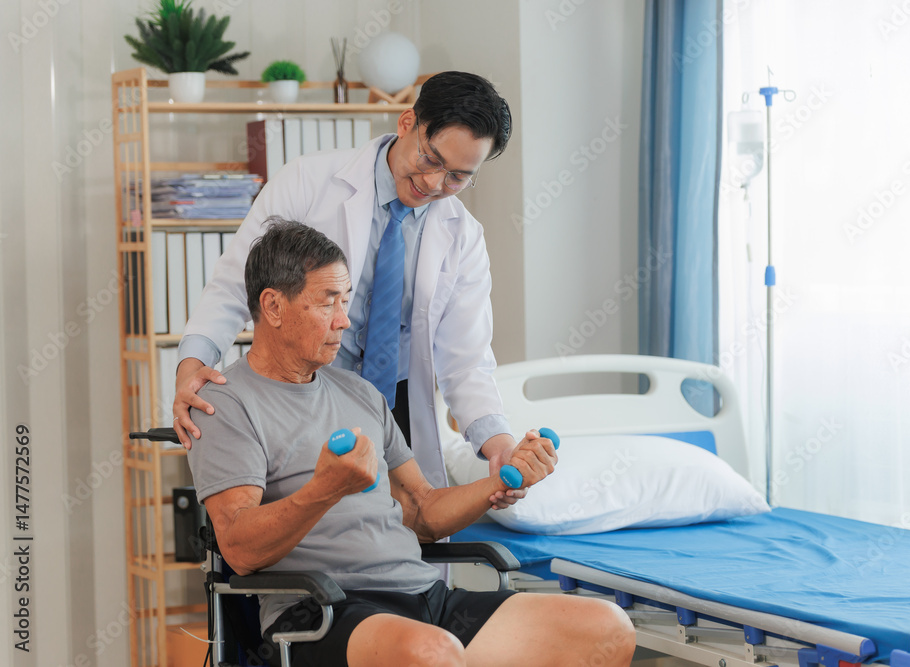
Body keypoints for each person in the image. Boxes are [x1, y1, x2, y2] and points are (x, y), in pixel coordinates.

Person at [186, 220, 635, 667]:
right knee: (433, 652)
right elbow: (241, 551)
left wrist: (497, 480)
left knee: (606, 627)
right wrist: (325, 489)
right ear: (274, 306)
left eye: (346, 301)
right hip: (321, 611)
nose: (344, 320)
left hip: (422, 597)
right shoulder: (226, 404)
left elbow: (421, 512)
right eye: (327, 303)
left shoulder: (359, 393)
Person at [174, 71, 519, 501]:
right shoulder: (307, 182)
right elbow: (233, 285)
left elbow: (466, 359)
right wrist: (192, 365)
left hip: (397, 418)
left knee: (401, 541)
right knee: (308, 536)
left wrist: (497, 442)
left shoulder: (463, 235)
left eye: (458, 177)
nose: (434, 184)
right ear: (408, 123)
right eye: (431, 159)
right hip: (302, 403)